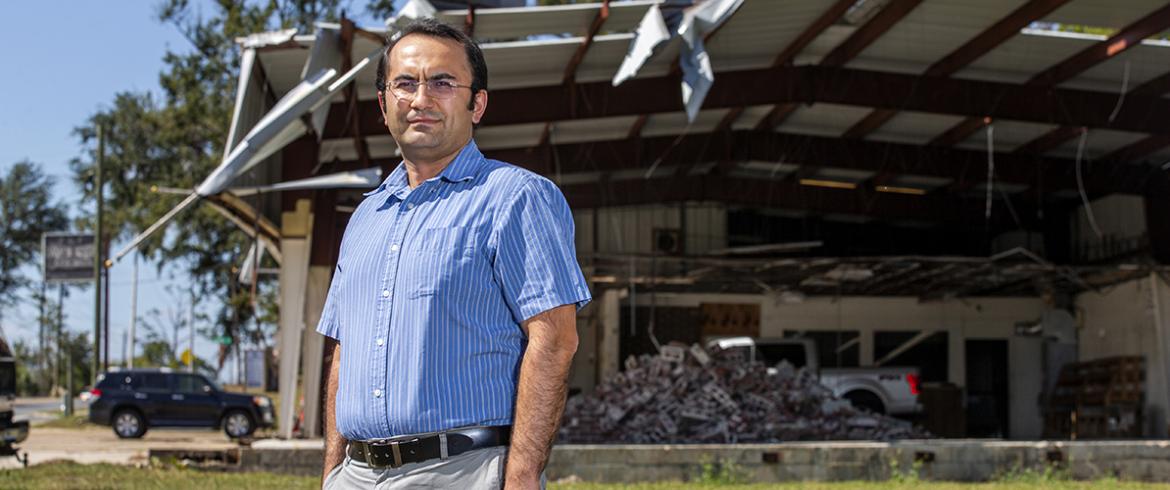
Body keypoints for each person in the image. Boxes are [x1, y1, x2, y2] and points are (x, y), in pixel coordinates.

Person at [316, 17, 591, 490]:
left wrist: (522, 478)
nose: (420, 99)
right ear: (383, 105)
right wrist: (332, 473)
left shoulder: (514, 198)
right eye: (404, 84)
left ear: (476, 103)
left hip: (461, 472)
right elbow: (345, 353)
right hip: (355, 477)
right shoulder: (365, 218)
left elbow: (554, 341)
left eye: (442, 82)